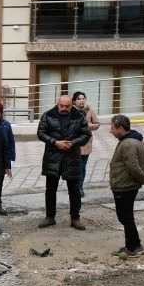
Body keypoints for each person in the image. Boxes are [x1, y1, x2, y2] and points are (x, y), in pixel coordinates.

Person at [37, 94, 91, 230]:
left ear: (71, 105)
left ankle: (75, 218)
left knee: (74, 190)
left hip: (72, 156)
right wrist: (55, 142)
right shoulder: (48, 115)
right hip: (53, 156)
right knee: (50, 189)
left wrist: (73, 143)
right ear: (57, 104)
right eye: (61, 106)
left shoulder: (79, 117)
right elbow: (41, 133)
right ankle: (50, 216)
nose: (64, 108)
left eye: (67, 106)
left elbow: (86, 134)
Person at [108, 114, 144, 257]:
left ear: (120, 128)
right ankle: (133, 244)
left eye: (112, 128)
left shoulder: (127, 144)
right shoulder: (132, 140)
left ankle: (134, 247)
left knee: (125, 217)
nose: (110, 131)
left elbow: (133, 166)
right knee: (126, 216)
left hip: (125, 186)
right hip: (127, 184)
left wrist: (143, 179)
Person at [72, 92, 101, 196]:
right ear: (74, 101)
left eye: (83, 98)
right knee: (74, 166)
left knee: (82, 166)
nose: (82, 100)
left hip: (86, 142)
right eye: (79, 99)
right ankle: (73, 186)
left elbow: (97, 124)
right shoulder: (70, 111)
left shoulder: (89, 110)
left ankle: (80, 187)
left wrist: (87, 126)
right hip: (73, 142)